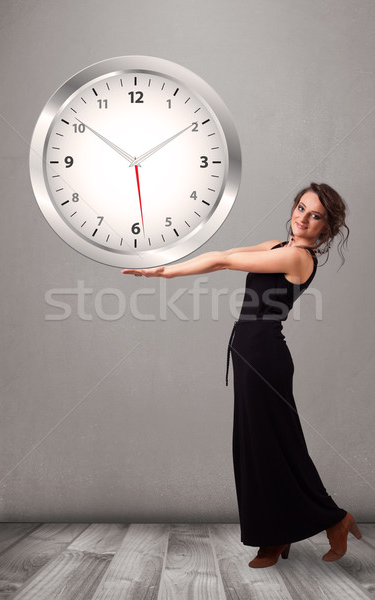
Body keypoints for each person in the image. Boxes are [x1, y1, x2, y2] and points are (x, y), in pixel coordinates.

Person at [122, 182, 362, 568]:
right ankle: (275, 535)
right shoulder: (275, 247)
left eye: (315, 215)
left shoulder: (298, 258)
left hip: (266, 358)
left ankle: (334, 519)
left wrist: (165, 274)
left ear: (326, 228)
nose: (303, 218)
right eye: (301, 208)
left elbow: (224, 261)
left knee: (273, 446)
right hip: (249, 355)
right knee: (257, 447)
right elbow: (226, 252)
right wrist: (171, 268)